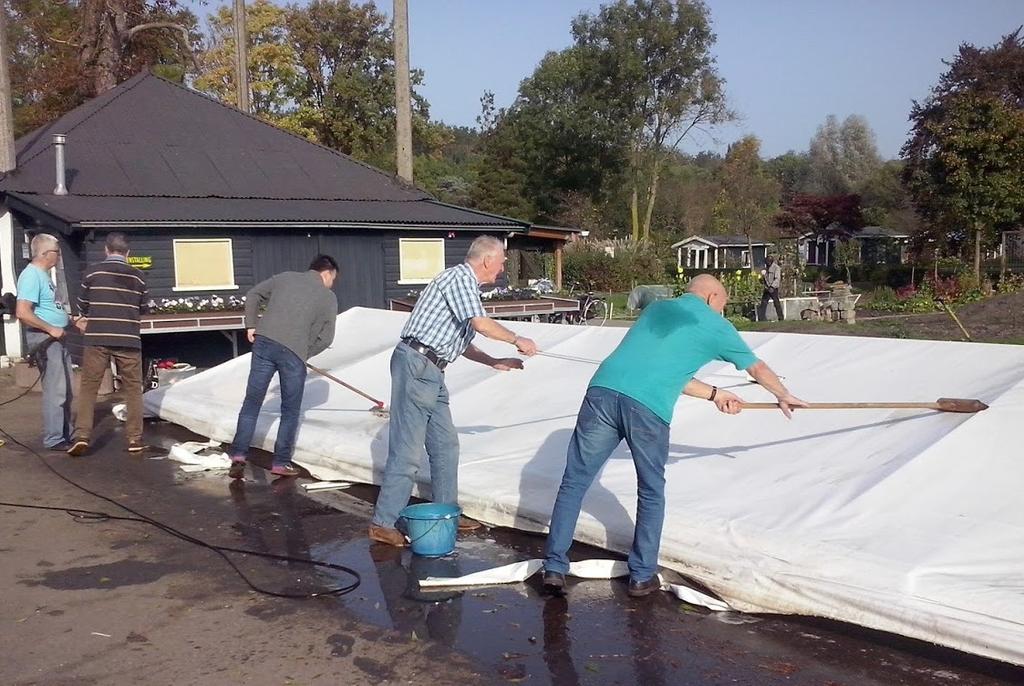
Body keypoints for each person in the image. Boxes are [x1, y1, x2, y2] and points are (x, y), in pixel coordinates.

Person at [542, 274, 806, 597]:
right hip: (647, 407)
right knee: (651, 490)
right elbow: (757, 368)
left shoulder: (656, 310)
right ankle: (641, 575)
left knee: (574, 481)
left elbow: (664, 370)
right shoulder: (715, 325)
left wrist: (715, 394)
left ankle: (554, 567)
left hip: (602, 392)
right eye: (722, 305)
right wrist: (783, 394)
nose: (721, 312)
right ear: (711, 299)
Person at [369, 235, 538, 546]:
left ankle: (447, 513)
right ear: (487, 260)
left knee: (446, 446)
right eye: (501, 263)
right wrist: (518, 339)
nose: (501, 270)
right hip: (417, 365)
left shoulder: (465, 286)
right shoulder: (459, 278)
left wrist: (493, 361)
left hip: (431, 369)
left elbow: (461, 340)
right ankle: (384, 522)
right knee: (407, 451)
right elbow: (481, 324)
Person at [228, 255, 339, 479]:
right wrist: (304, 352)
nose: (332, 283)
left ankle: (238, 454)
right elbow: (326, 338)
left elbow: (253, 294)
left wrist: (251, 324)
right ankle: (280, 463)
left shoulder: (285, 278)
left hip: (264, 342)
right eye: (333, 279)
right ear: (327, 273)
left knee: (252, 402)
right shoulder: (328, 297)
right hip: (294, 354)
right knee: (289, 411)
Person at [67, 233, 150, 456]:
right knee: (133, 389)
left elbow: (82, 304)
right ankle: (134, 439)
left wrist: (86, 315)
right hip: (129, 339)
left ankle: (82, 435)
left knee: (89, 387)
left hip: (97, 337)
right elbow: (144, 307)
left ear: (106, 250)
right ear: (128, 253)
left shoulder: (92, 273)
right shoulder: (139, 276)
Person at [16, 234, 74, 450]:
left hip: (57, 337)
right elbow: (22, 312)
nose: (59, 257)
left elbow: (52, 307)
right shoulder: (32, 276)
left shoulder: (44, 276)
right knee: (56, 389)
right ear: (45, 253)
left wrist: (72, 321)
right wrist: (51, 329)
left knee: (67, 389)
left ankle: (65, 434)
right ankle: (54, 438)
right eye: (56, 253)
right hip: (47, 339)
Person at [758, 254, 785, 321]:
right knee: (763, 303)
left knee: (776, 303)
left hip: (773, 288)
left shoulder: (776, 268)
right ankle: (761, 318)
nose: (767, 263)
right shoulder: (766, 268)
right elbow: (765, 278)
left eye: (768, 262)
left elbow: (777, 279)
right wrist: (761, 279)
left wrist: (772, 287)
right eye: (766, 262)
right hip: (767, 288)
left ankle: (781, 318)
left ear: (771, 261)